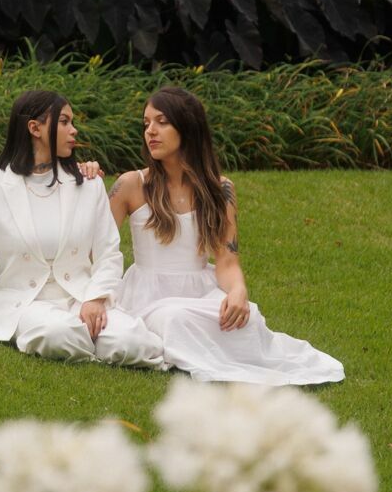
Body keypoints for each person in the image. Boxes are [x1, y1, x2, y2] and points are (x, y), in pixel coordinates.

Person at [0, 89, 164, 367]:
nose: (74, 130)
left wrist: (96, 299)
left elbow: (109, 253)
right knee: (57, 335)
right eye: (64, 122)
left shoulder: (89, 184)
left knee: (133, 343)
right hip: (25, 303)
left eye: (72, 122)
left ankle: (103, 341)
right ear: (34, 128)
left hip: (80, 296)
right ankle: (94, 344)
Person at [108, 85, 344, 385]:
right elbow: (97, 245)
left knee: (246, 320)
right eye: (146, 123)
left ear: (187, 128)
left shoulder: (221, 190)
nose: (150, 131)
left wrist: (237, 292)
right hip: (147, 294)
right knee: (174, 318)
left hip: (199, 288)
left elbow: (227, 261)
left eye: (161, 122)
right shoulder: (132, 184)